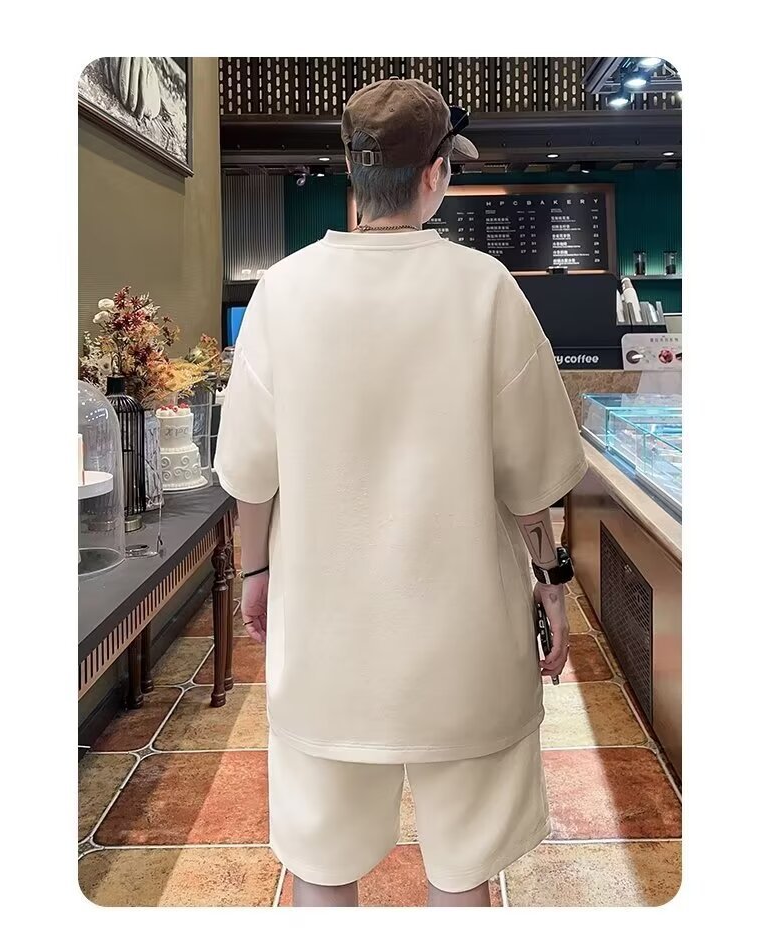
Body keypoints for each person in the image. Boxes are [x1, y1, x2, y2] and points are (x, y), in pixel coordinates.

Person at [214, 77, 587, 907]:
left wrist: (255, 574)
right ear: (435, 174)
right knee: (463, 868)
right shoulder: (486, 288)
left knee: (322, 864)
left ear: (355, 173)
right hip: (466, 643)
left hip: (327, 643)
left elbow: (251, 473)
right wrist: (552, 584)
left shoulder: (284, 291)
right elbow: (529, 485)